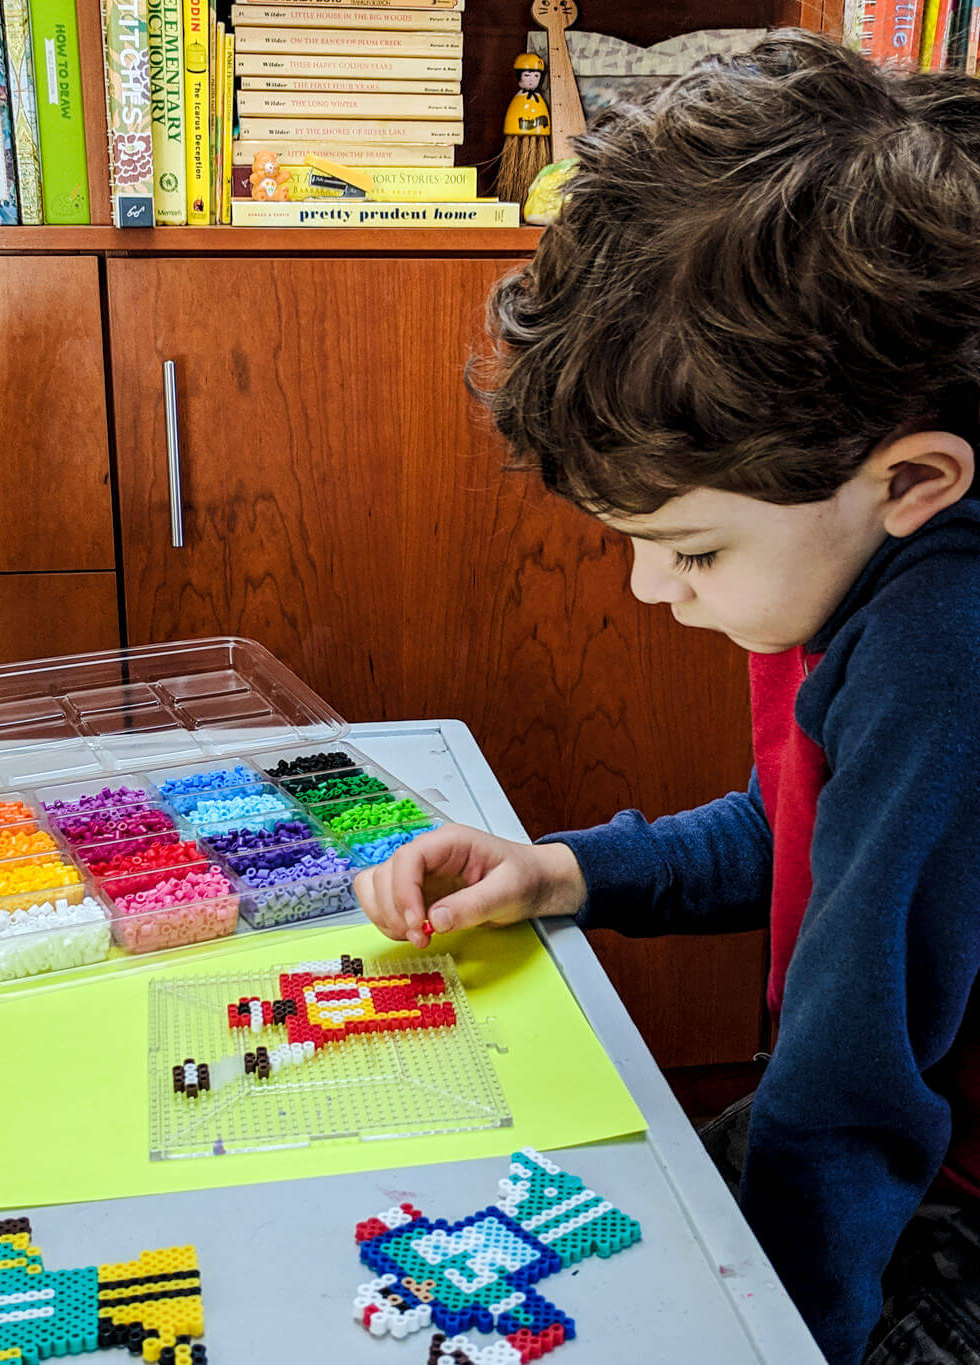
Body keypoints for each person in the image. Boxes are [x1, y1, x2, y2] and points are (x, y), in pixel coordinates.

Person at [353, 30, 980, 1365]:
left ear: (913, 477)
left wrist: (763, 1335)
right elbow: (800, 829)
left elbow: (854, 1082)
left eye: (691, 550)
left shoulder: (946, 645)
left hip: (938, 1189)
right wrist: (567, 870)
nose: (654, 591)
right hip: (867, 1125)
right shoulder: (853, 545)